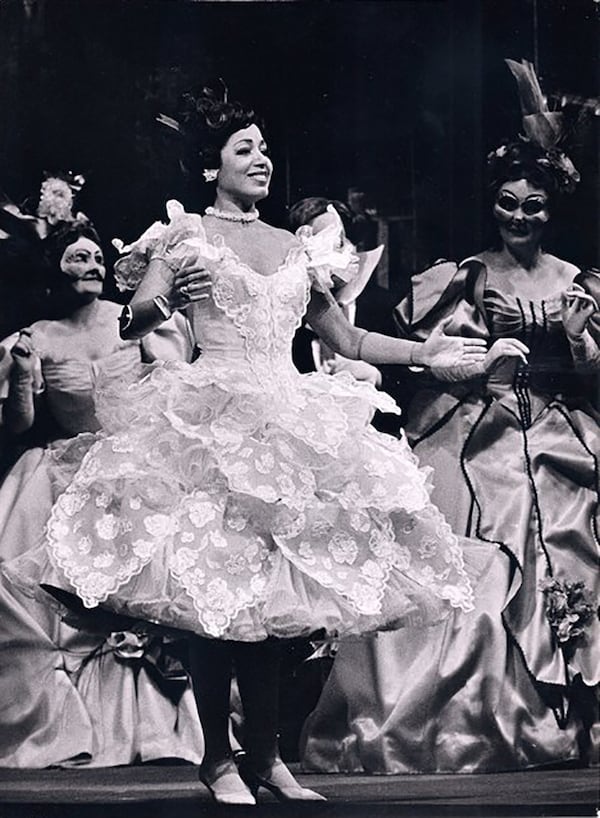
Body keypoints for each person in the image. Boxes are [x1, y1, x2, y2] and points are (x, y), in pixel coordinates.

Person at [4, 86, 493, 803]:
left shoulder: (294, 246)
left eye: (264, 149)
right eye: (245, 149)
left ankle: (265, 757)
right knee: (216, 594)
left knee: (266, 602)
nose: (261, 159)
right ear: (211, 167)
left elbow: (347, 338)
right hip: (211, 421)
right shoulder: (186, 236)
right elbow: (135, 321)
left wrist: (428, 353)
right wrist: (163, 302)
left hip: (287, 419)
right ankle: (217, 758)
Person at [301, 96, 599, 772]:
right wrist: (483, 359)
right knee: (473, 551)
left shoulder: (577, 283)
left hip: (561, 428)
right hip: (476, 428)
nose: (520, 217)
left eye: (534, 206)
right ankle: (471, 718)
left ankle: (568, 708)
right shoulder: (463, 275)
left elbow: (595, 379)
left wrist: (578, 345)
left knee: (566, 533)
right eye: (509, 203)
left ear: (554, 210)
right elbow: (433, 362)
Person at [0, 174, 203, 767]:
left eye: (95, 255)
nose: (90, 263)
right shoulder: (35, 336)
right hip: (56, 469)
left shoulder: (136, 321)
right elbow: (20, 426)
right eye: (76, 256)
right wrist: (18, 373)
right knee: (26, 582)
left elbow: (174, 395)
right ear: (54, 268)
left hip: (128, 466)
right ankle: (59, 728)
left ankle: (155, 727)